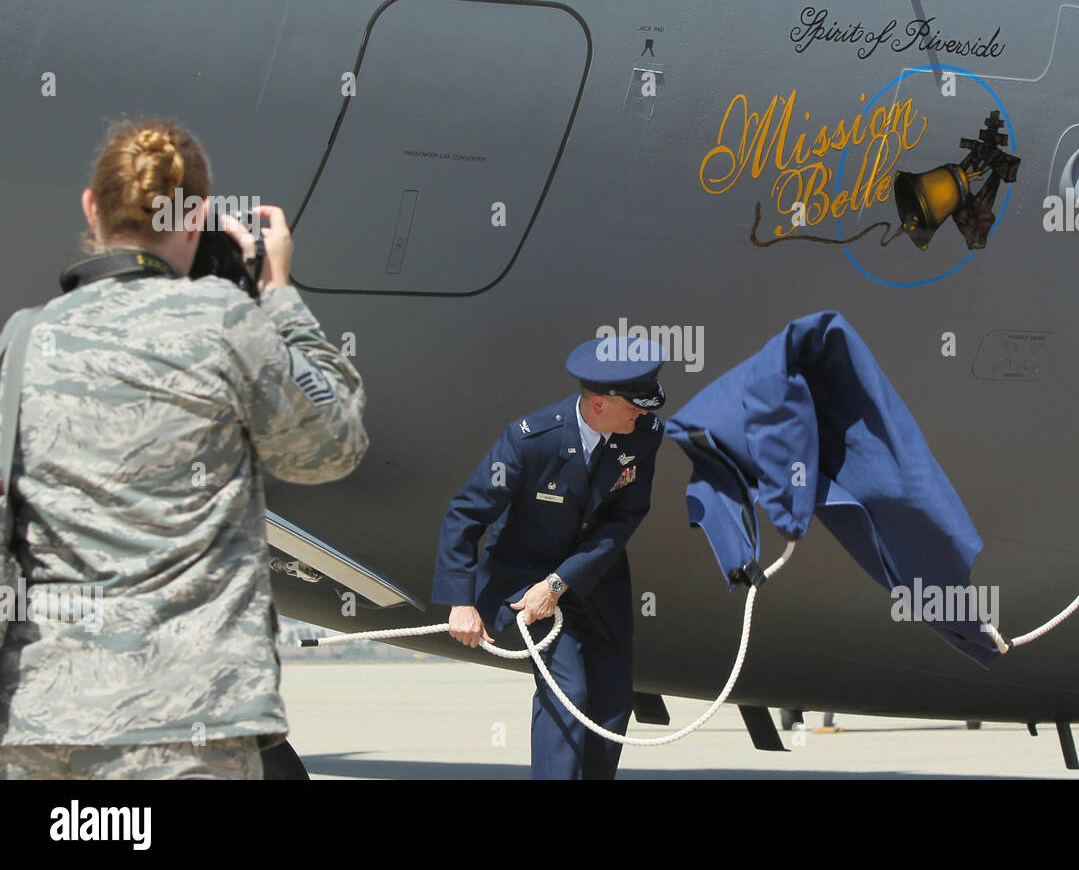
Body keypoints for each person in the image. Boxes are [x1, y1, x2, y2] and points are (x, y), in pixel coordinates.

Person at [0, 120, 368, 779]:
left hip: (45, 727)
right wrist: (278, 292)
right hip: (187, 727)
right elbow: (333, 445)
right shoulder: (227, 324)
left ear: (92, 206)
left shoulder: (22, 342)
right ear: (195, 216)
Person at [432, 338, 665, 779]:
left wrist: (561, 582)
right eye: (634, 405)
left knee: (612, 701)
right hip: (525, 580)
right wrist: (461, 602)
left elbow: (625, 518)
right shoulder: (529, 441)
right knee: (569, 690)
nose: (644, 414)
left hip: (595, 578)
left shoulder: (643, 435)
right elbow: (466, 514)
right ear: (599, 403)